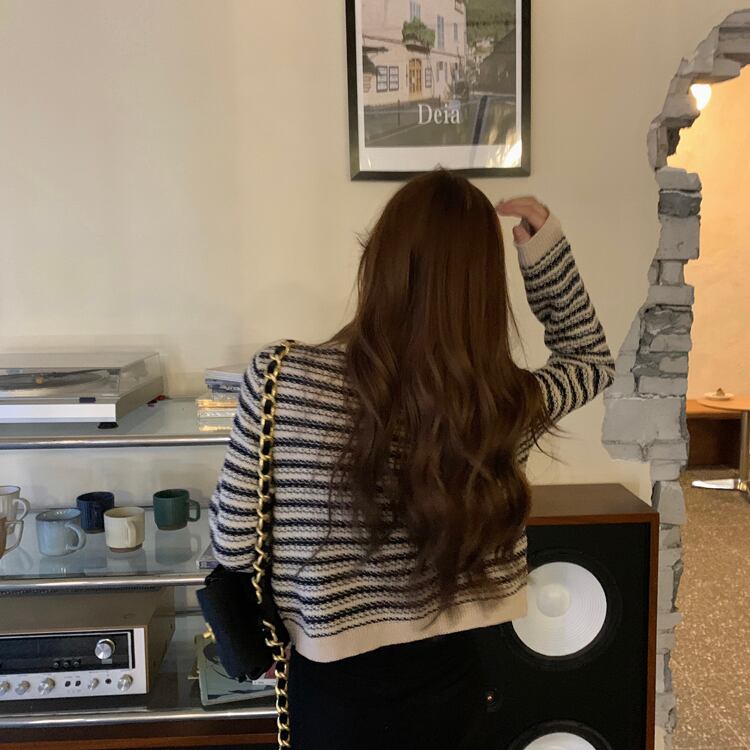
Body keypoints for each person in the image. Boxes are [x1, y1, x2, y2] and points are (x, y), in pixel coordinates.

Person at [208, 169, 615, 749]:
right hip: (455, 684)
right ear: (482, 288)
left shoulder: (282, 378)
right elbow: (590, 360)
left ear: (379, 260)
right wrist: (545, 252)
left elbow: (232, 544)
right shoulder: (500, 403)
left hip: (331, 690)